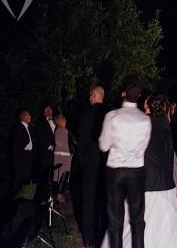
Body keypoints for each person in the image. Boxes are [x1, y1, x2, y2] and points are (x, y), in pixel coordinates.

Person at [102, 95, 177, 248]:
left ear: (147, 106)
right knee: (165, 227)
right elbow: (171, 158)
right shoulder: (165, 126)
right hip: (162, 183)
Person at [99, 78, 152, 248]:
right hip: (137, 171)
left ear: (123, 94)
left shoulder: (112, 116)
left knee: (115, 222)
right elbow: (144, 147)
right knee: (137, 220)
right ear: (139, 96)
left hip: (116, 171)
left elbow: (104, 145)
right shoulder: (145, 119)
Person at [77, 85, 108, 248]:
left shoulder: (85, 115)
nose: (89, 98)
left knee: (89, 200)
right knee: (104, 199)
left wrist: (82, 164)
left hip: (90, 164)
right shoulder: (110, 114)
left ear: (95, 96)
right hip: (106, 164)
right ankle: (104, 235)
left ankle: (89, 238)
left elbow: (81, 144)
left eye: (90, 95)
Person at [10, 109, 34, 197]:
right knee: (18, 180)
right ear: (23, 117)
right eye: (28, 115)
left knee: (25, 180)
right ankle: (13, 200)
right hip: (21, 159)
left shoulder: (26, 128)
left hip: (27, 158)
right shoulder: (19, 128)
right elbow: (17, 146)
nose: (30, 117)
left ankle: (23, 199)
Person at [35, 104, 56, 199]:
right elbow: (40, 136)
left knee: (51, 173)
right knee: (44, 173)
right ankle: (42, 196)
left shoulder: (53, 121)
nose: (52, 112)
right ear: (45, 111)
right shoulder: (41, 122)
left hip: (53, 152)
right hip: (45, 152)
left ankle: (49, 195)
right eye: (50, 110)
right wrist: (49, 146)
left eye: (52, 110)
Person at [53, 114, 73, 202]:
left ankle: (60, 194)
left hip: (65, 156)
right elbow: (59, 143)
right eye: (63, 118)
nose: (65, 119)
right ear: (58, 121)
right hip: (61, 156)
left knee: (65, 175)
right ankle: (59, 195)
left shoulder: (64, 130)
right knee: (61, 175)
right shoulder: (59, 130)